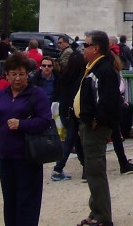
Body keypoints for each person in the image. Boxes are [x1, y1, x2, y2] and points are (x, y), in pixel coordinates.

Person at [0, 52, 51, 226]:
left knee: (27, 201)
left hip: (27, 155)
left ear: (27, 74)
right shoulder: (2, 95)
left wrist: (22, 124)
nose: (18, 78)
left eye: (22, 74)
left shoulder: (37, 94)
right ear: (6, 75)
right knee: (10, 200)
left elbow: (45, 121)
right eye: (13, 74)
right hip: (6, 155)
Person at [76, 30, 124, 226]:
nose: (83, 48)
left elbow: (109, 100)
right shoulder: (95, 67)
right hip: (90, 124)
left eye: (86, 45)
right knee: (93, 169)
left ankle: (103, 217)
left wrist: (96, 119)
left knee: (95, 171)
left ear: (95, 48)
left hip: (96, 126)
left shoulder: (103, 70)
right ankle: (95, 211)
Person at [51, 44, 86, 182]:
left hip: (64, 110)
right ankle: (58, 168)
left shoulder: (64, 76)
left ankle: (85, 167)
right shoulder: (80, 79)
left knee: (76, 141)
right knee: (70, 140)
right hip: (73, 112)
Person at [107, 44, 133, 174]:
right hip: (109, 108)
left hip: (109, 107)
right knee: (114, 137)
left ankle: (123, 163)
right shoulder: (112, 73)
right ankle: (123, 163)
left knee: (114, 136)